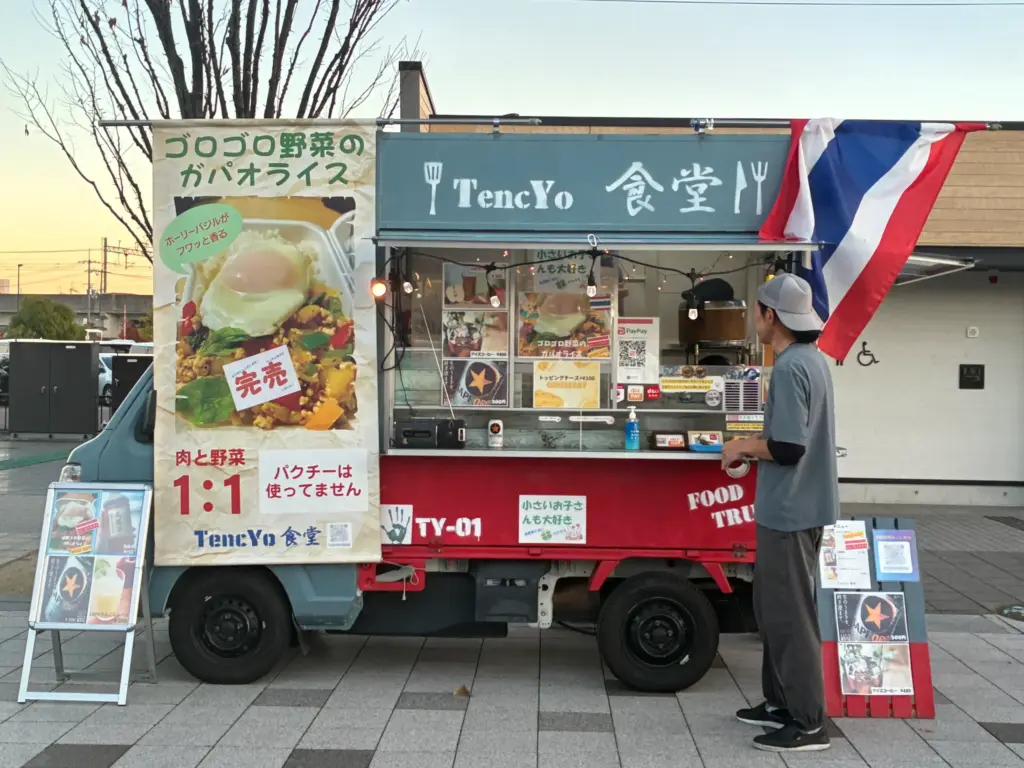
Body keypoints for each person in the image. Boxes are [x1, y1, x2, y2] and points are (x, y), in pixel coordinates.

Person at [720, 272, 839, 753]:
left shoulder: (790, 367)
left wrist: (742, 445)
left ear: (771, 316)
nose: (754, 320)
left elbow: (789, 447)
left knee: (790, 615)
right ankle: (779, 703)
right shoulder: (812, 359)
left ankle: (808, 721)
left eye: (757, 311)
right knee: (774, 609)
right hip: (797, 506)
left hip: (790, 510)